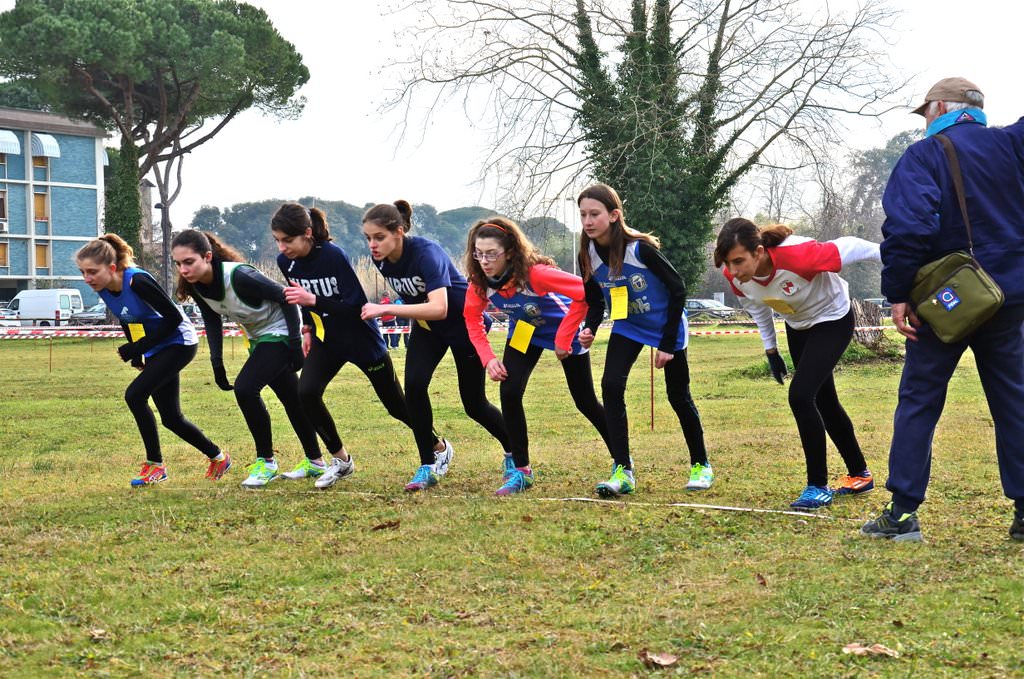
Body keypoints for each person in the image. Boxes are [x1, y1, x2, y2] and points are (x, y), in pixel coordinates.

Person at [860, 78, 1024, 542]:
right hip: (1008, 298)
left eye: (926, 113)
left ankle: (903, 514)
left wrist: (897, 293)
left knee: (920, 401)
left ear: (938, 107)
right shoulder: (1014, 144)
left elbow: (908, 227)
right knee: (1015, 401)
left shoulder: (925, 155)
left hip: (945, 303)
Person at [271, 202, 445, 488]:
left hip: (361, 339)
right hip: (327, 340)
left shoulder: (333, 256)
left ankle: (437, 446)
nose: (282, 247)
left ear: (307, 233)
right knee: (307, 392)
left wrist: (314, 301)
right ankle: (341, 460)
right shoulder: (284, 262)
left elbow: (356, 306)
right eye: (277, 241)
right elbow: (298, 296)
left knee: (397, 406)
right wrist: (306, 327)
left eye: (287, 240)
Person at [714, 218, 880, 510]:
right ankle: (859, 473)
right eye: (728, 263)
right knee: (825, 401)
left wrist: (899, 256)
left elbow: (854, 246)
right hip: (798, 325)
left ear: (760, 252)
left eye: (739, 260)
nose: (734, 271)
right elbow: (759, 309)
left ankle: (817, 485)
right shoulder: (737, 279)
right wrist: (770, 350)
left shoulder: (799, 254)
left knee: (801, 396)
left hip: (832, 318)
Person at [360, 200, 510, 491]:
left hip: (463, 327)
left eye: (379, 237)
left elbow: (439, 307)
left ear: (399, 232)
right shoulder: (380, 260)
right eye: (368, 238)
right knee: (414, 388)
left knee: (474, 404)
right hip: (428, 329)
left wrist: (385, 309)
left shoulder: (427, 253)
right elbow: (424, 309)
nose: (373, 245)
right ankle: (430, 461)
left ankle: (513, 451)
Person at [577, 184, 713, 497]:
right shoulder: (588, 253)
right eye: (583, 214)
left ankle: (701, 464)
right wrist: (591, 327)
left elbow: (678, 289)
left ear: (614, 215)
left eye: (594, 214)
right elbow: (595, 300)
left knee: (678, 396)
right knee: (611, 386)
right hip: (629, 326)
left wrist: (667, 344)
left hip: (666, 325)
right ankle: (622, 469)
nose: (587, 220)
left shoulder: (639, 249)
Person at [463, 217, 612, 495]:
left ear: (509, 252)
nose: (484, 260)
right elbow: (472, 320)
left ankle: (622, 462)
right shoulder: (480, 282)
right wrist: (489, 359)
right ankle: (521, 471)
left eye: (491, 254)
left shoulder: (536, 274)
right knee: (509, 392)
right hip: (524, 331)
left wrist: (564, 337)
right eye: (479, 253)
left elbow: (586, 294)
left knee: (585, 401)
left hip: (564, 328)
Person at [171, 229, 321, 489]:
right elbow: (211, 318)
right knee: (292, 400)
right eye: (178, 263)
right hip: (258, 339)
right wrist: (216, 362)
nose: (183, 269)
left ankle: (266, 462)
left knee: (245, 388)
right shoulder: (197, 286)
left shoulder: (239, 275)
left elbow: (288, 299)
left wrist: (295, 345)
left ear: (207, 256)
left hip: (280, 333)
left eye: (189, 262)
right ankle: (316, 462)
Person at [76, 234, 230, 486]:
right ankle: (218, 457)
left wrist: (138, 346)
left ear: (112, 268)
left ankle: (155, 465)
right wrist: (138, 353)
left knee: (134, 395)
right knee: (171, 418)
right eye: (83, 272)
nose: (87, 278)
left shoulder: (137, 281)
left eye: (92, 271)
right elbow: (128, 318)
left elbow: (174, 319)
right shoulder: (103, 289)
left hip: (180, 342)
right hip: (157, 347)